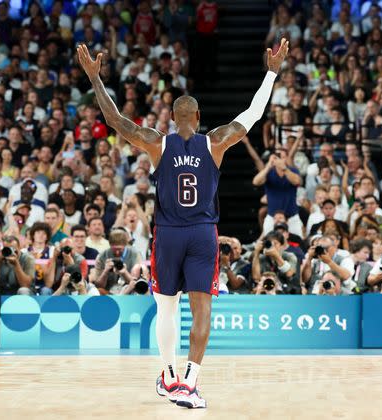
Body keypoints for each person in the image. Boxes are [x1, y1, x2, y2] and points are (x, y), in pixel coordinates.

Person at [77, 37, 288, 409]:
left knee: (166, 308)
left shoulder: (157, 142)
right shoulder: (216, 141)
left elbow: (114, 119)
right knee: (202, 307)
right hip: (203, 233)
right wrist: (270, 74)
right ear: (200, 118)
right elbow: (252, 115)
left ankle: (169, 374)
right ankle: (190, 382)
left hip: (168, 234)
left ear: (173, 120)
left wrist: (95, 78)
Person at [0, 235, 35, 347]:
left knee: (23, 291)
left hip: (21, 297)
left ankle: (23, 334)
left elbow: (26, 284)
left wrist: (16, 264)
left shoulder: (27, 259)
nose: (10, 252)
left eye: (14, 249)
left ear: (19, 248)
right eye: (7, 249)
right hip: (2, 297)